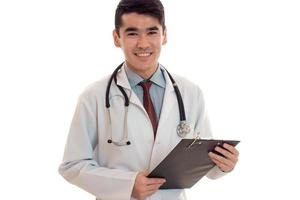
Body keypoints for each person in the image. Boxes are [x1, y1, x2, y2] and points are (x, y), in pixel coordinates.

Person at [58, 0, 239, 199]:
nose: (143, 43)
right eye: (132, 33)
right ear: (116, 37)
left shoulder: (190, 93)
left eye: (152, 32)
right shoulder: (94, 97)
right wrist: (127, 185)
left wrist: (223, 165)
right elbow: (72, 165)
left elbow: (204, 161)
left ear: (165, 35)